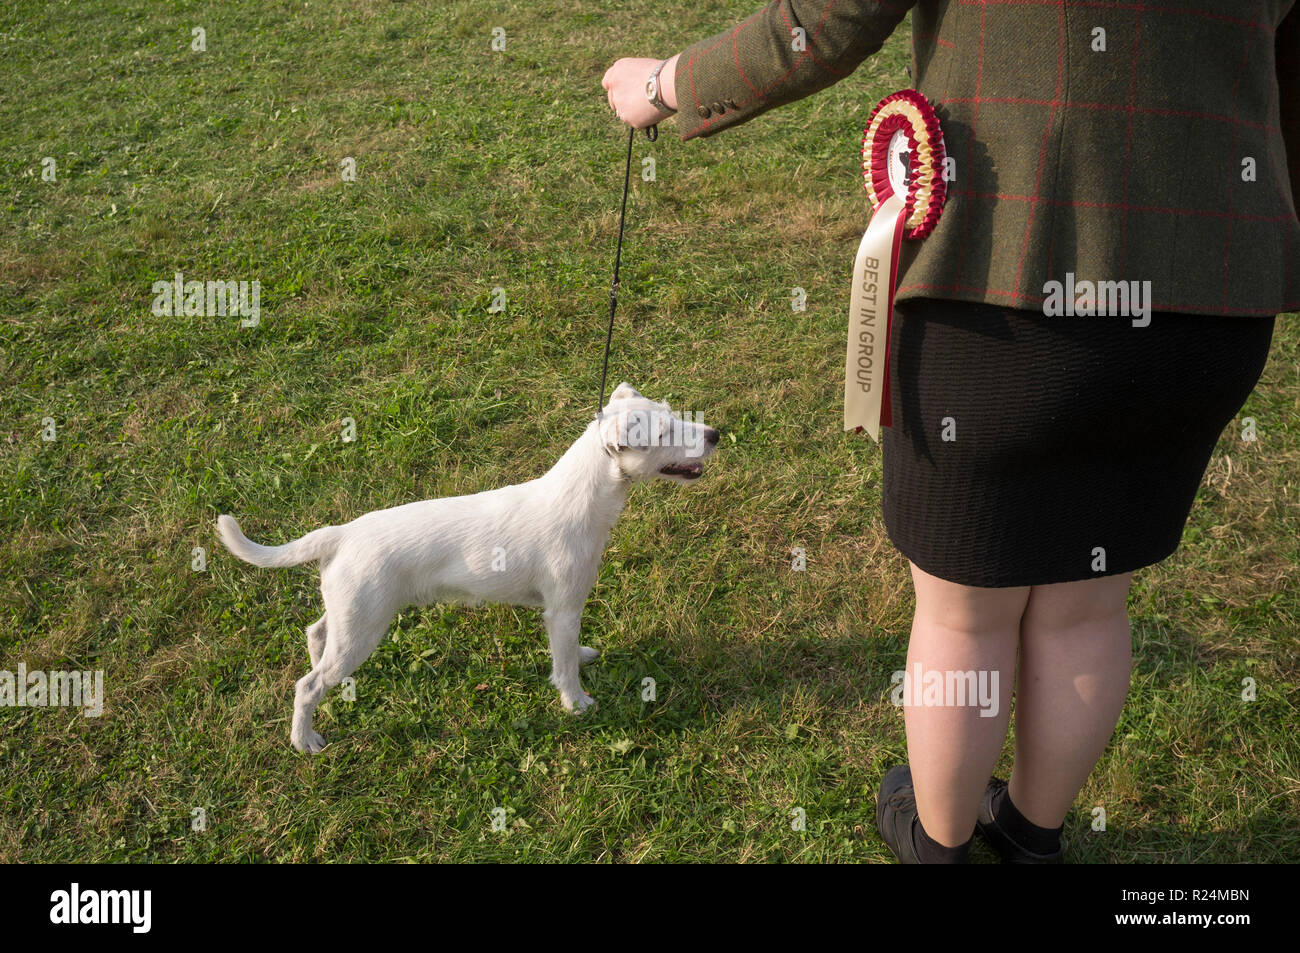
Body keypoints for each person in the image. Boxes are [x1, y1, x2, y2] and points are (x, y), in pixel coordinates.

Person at [603, 0, 1299, 862]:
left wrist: (668, 84)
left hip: (1007, 275)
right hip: (1215, 296)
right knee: (1089, 603)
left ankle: (940, 849)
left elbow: (828, 17)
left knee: (964, 617)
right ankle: (1027, 840)